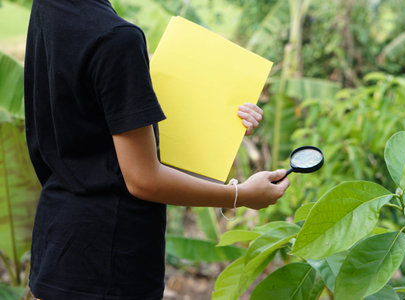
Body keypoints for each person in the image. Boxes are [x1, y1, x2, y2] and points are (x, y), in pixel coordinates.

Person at [24, 0, 289, 299]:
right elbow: (143, 179)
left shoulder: (51, 8)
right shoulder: (116, 38)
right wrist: (240, 195)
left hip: (58, 249)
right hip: (110, 265)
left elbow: (95, 111)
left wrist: (222, 120)